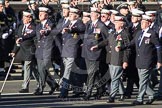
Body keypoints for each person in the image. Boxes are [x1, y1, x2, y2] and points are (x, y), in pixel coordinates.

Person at [115, 14, 162, 105]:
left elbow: (158, 48)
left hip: (147, 61)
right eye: (141, 22)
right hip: (139, 60)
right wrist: (122, 47)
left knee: (143, 80)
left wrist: (159, 61)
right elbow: (132, 43)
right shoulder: (139, 33)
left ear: (148, 23)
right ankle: (152, 95)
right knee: (144, 80)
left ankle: (140, 98)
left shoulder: (152, 34)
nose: (142, 24)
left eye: (144, 22)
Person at [81, 7, 108, 100]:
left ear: (98, 15)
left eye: (93, 13)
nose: (91, 15)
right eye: (91, 13)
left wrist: (99, 46)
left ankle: (88, 93)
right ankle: (100, 89)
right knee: (94, 74)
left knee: (91, 74)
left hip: (95, 53)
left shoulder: (101, 26)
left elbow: (107, 39)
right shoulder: (89, 24)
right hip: (87, 52)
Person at [58, 6, 85, 98]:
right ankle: (79, 89)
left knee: (67, 72)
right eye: (70, 13)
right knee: (72, 73)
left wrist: (70, 30)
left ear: (77, 16)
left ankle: (63, 92)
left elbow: (80, 29)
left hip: (72, 51)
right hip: (65, 51)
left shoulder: (79, 23)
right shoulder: (67, 23)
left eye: (72, 14)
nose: (70, 15)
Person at [10, 10, 39, 93]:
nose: (23, 18)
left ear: (30, 18)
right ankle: (48, 83)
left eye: (26, 17)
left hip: (30, 51)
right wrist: (14, 51)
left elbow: (31, 35)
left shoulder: (33, 27)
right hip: (23, 51)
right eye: (23, 16)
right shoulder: (20, 26)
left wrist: (22, 38)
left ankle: (25, 87)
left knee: (27, 67)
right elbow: (18, 41)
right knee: (33, 70)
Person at [34, 6, 59, 95]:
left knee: (47, 69)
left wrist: (46, 31)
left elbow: (49, 31)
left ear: (47, 15)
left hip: (48, 51)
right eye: (39, 13)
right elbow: (36, 37)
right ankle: (54, 84)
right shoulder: (38, 25)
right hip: (40, 51)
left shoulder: (51, 24)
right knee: (43, 70)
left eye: (42, 13)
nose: (40, 14)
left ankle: (41, 88)